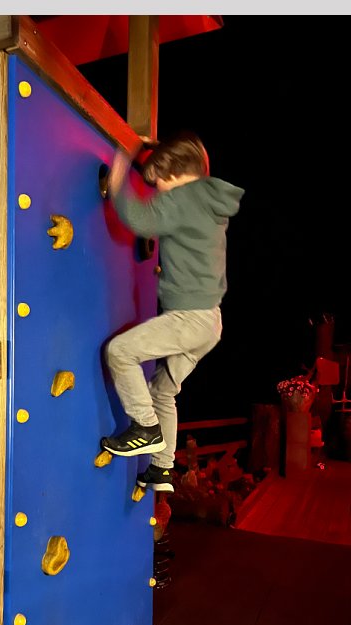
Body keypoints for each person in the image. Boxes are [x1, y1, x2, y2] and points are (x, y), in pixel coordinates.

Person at [100, 130, 245, 492]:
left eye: (159, 182)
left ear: (174, 172)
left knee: (119, 351)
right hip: (210, 322)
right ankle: (162, 469)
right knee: (163, 391)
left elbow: (139, 217)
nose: (159, 191)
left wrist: (120, 168)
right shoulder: (209, 201)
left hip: (188, 318)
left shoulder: (183, 198)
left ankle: (145, 427)